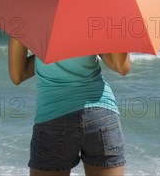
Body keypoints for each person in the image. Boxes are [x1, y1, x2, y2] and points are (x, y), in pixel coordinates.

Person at [8, 37, 131, 176]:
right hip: (101, 114)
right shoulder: (93, 23)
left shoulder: (26, 20)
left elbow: (18, 75)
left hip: (54, 116)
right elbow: (122, 67)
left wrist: (47, 50)